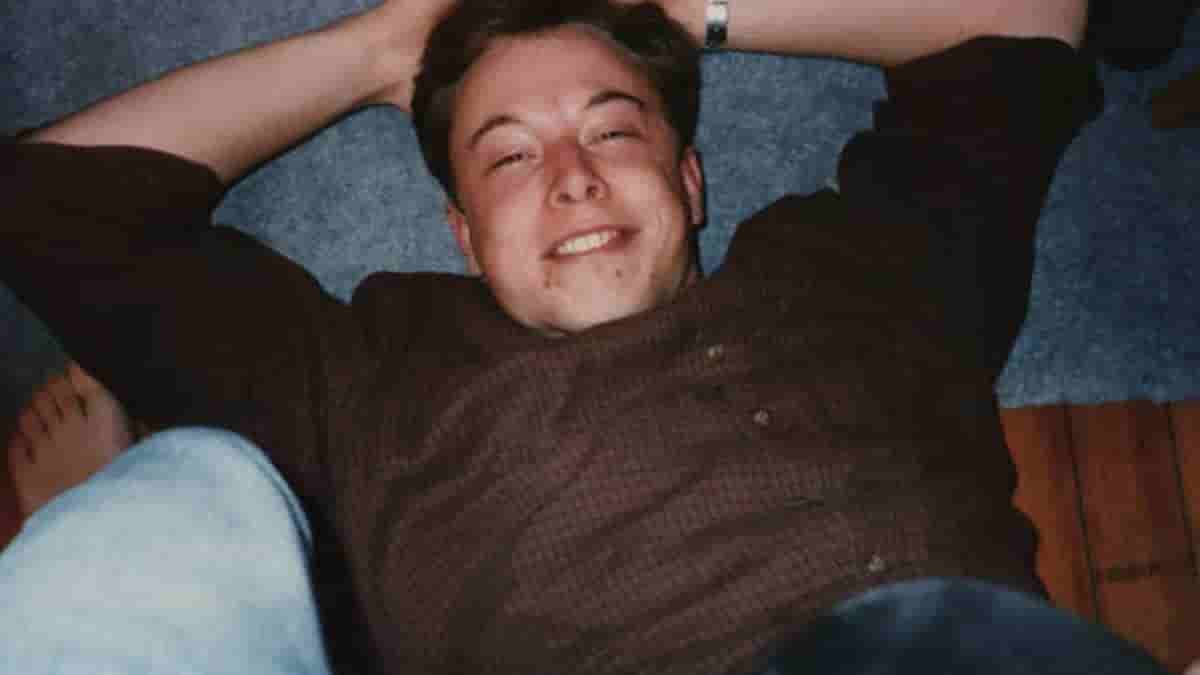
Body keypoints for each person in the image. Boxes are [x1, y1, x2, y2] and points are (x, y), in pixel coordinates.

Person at [0, 0, 1166, 672]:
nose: (570, 177)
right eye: (509, 154)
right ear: (462, 235)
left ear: (691, 180)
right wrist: (382, 48)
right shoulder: (367, 382)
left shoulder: (861, 274)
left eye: (613, 132)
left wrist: (679, 11)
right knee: (174, 526)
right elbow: (46, 206)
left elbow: (1032, 20)